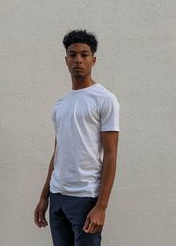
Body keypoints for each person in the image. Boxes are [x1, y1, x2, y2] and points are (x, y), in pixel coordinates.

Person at [34, 29, 120, 246]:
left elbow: (111, 154)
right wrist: (44, 197)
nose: (78, 60)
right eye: (73, 55)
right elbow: (58, 152)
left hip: (86, 198)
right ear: (66, 60)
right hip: (58, 196)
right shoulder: (60, 104)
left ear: (94, 60)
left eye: (84, 55)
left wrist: (101, 206)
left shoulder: (105, 99)